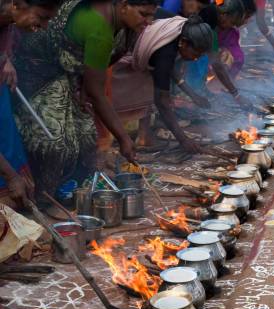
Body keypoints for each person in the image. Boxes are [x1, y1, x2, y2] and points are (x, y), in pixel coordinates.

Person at [13, 0, 159, 199]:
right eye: (143, 14)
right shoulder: (100, 29)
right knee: (56, 142)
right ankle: (42, 197)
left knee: (86, 135)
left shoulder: (123, 26)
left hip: (68, 72)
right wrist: (124, 138)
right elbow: (97, 92)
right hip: (38, 71)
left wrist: (83, 83)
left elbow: (92, 72)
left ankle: (76, 192)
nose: (148, 22)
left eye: (152, 15)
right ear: (124, 5)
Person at [112, 15, 213, 153]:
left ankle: (143, 136)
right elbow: (162, 101)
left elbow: (167, 68)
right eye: (196, 53)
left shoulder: (182, 29)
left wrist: (193, 95)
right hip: (116, 53)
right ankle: (114, 143)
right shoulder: (166, 50)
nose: (196, 58)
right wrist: (183, 140)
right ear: (183, 42)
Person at [0, 0, 61, 207]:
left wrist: (5, 59)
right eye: (42, 17)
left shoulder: (8, 21)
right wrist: (10, 178)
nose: (44, 26)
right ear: (16, 4)